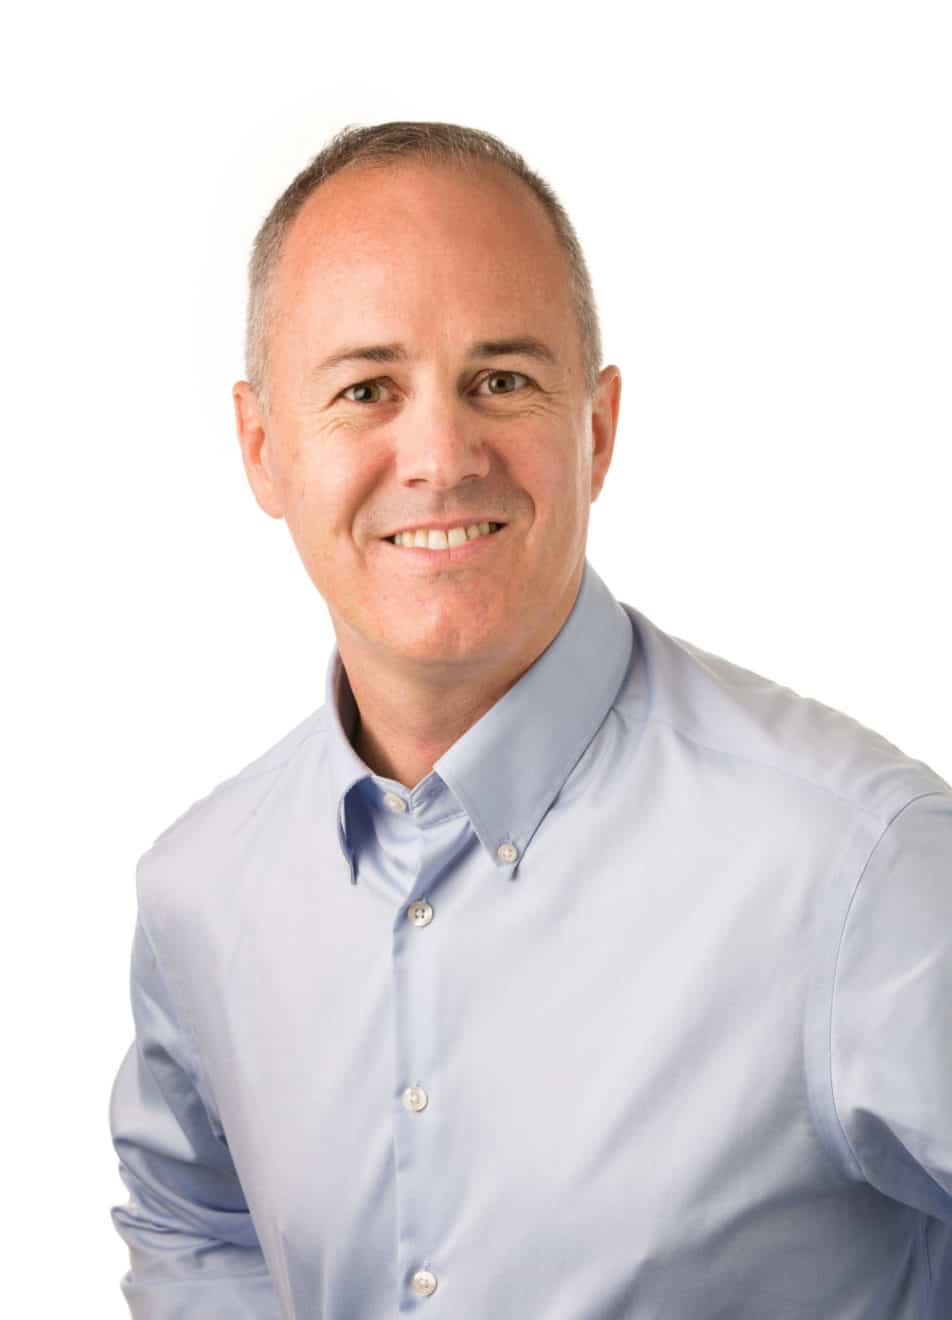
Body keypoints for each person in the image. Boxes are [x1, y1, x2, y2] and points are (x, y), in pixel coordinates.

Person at [108, 120, 952, 1318]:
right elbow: (192, 1221)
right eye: (366, 389)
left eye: (501, 380)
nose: (442, 456)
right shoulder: (199, 895)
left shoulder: (860, 869)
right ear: (262, 448)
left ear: (596, 429)